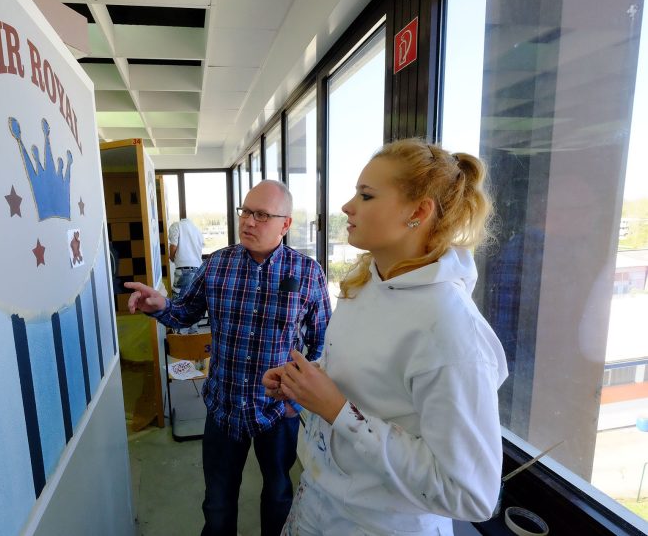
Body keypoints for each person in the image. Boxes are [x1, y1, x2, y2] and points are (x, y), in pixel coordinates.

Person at [263, 138, 508, 535]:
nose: (347, 206)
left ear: (418, 211)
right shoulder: (364, 285)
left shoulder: (449, 329)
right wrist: (306, 388)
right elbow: (368, 385)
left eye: (366, 195)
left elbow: (471, 494)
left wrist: (337, 410)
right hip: (318, 503)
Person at [125, 180, 331, 536]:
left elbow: (322, 345)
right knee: (218, 504)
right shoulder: (218, 265)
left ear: (285, 225)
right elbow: (184, 314)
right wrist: (159, 306)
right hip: (224, 407)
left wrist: (298, 401)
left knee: (279, 496)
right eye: (246, 211)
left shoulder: (308, 273)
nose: (249, 222)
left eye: (262, 215)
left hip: (278, 412)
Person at [168, 217, 205, 333]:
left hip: (184, 270)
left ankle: (180, 337)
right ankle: (193, 334)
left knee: (179, 303)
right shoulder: (197, 230)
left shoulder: (176, 226)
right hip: (198, 270)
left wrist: (172, 257)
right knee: (194, 303)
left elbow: (173, 246)